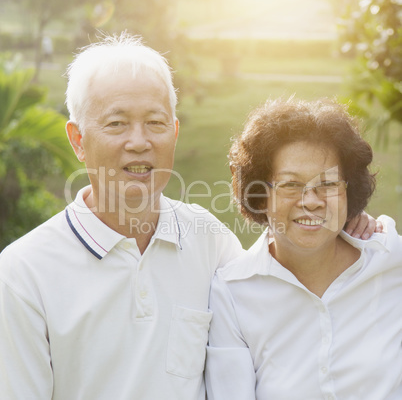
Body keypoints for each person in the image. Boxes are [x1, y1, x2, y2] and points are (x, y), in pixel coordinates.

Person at [0, 34, 379, 399]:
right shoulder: (24, 273)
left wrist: (344, 228)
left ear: (175, 133)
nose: (139, 141)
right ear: (78, 140)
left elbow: (278, 287)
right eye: (116, 123)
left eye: (156, 122)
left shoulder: (211, 243)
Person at [205, 97, 402, 399]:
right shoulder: (232, 293)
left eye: (328, 184)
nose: (311, 201)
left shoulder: (390, 262)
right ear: (260, 195)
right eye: (290, 184)